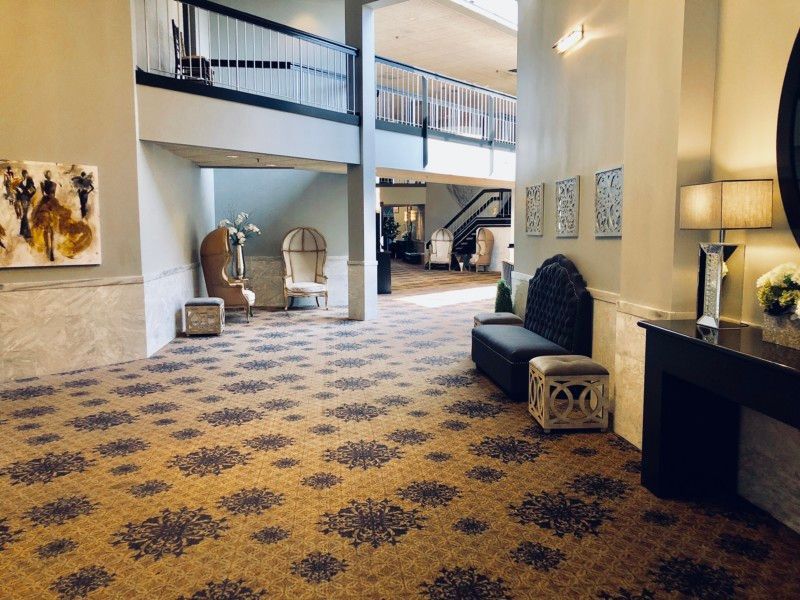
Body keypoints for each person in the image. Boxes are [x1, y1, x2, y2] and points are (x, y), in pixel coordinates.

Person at [14, 169, 36, 239]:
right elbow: (19, 193)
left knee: (24, 215)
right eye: (23, 174)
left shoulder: (30, 180)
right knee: (24, 215)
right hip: (22, 199)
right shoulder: (21, 183)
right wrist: (17, 190)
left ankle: (28, 234)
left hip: (27, 199)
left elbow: (33, 190)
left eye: (25, 173)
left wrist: (23, 191)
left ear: (27, 174)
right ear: (22, 175)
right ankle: (22, 233)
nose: (24, 175)